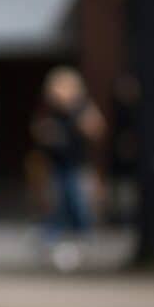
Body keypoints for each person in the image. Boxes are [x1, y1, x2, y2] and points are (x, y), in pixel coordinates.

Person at [31, 67, 105, 267]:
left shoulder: (81, 107)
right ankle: (49, 241)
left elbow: (96, 129)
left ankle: (85, 241)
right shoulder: (51, 111)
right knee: (57, 205)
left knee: (79, 204)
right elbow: (38, 130)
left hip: (77, 165)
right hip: (57, 165)